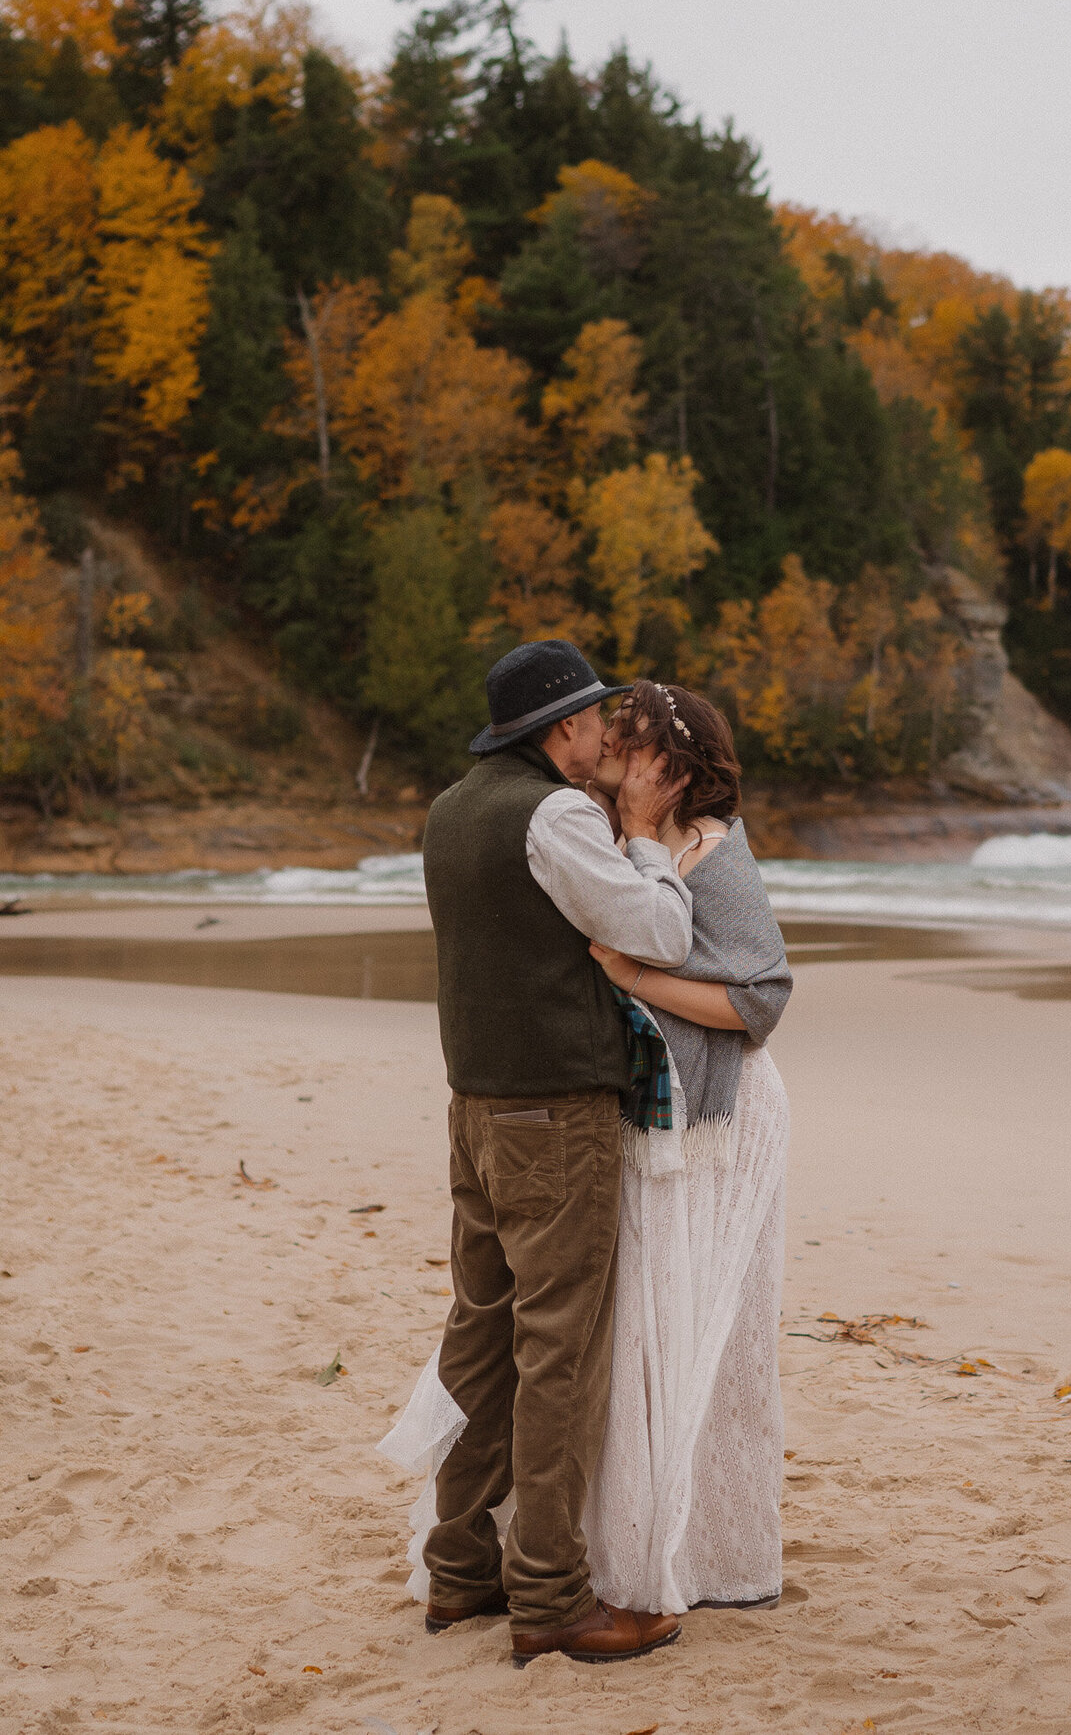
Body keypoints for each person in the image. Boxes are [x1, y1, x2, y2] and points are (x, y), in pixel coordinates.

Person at [380, 640, 690, 1668]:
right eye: (600, 716)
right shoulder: (553, 813)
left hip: (474, 1106)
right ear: (562, 730)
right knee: (558, 1347)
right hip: (554, 1116)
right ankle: (551, 1596)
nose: (610, 732)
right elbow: (657, 932)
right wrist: (646, 837)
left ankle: (461, 1569)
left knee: (481, 1331)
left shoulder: (450, 808)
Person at [582, 678, 793, 1615]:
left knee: (702, 1322)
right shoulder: (616, 844)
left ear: (667, 766)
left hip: (722, 1120)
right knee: (643, 1321)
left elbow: (760, 1001)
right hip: (655, 1116)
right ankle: (629, 1533)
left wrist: (634, 974)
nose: (603, 756)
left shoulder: (712, 854)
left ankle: (708, 1548)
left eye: (622, 746)